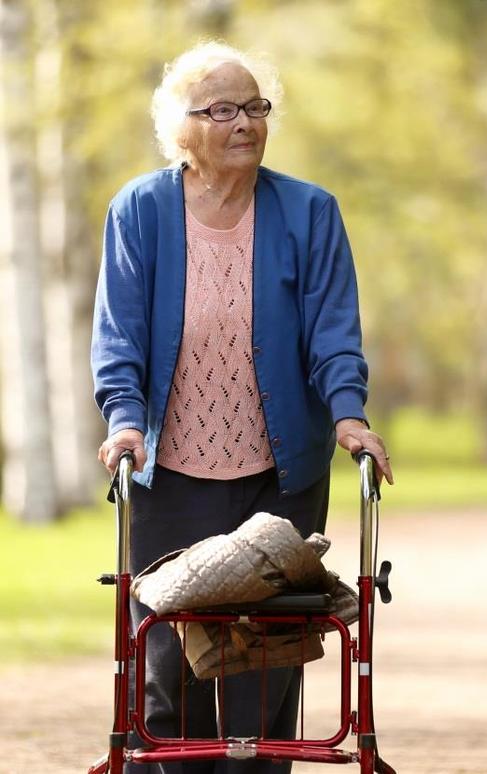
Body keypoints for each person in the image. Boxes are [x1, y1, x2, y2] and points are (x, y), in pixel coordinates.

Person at [91, 41, 393, 773]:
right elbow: (119, 337)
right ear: (180, 127)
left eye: (255, 107)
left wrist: (349, 415)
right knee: (170, 664)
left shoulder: (309, 212)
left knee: (269, 662)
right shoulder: (140, 211)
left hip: (278, 474)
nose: (245, 122)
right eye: (222, 109)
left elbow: (333, 334)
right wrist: (125, 420)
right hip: (174, 476)